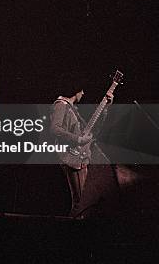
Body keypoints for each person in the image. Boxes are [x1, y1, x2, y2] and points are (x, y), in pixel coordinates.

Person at [50, 82, 113, 217]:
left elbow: (91, 131)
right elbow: (55, 129)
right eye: (81, 90)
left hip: (79, 156)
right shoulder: (61, 105)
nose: (83, 93)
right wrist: (78, 140)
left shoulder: (72, 109)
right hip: (72, 157)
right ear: (75, 90)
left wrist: (105, 109)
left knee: (82, 202)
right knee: (80, 202)